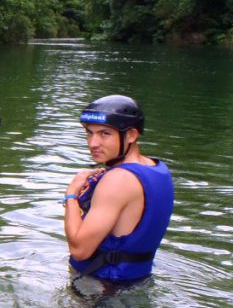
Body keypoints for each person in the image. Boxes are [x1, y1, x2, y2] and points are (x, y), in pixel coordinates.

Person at [63, 95, 174, 284]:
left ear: (131, 135)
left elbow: (80, 251)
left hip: (99, 291)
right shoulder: (156, 168)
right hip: (136, 282)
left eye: (105, 133)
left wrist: (71, 195)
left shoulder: (118, 180)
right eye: (89, 133)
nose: (93, 143)